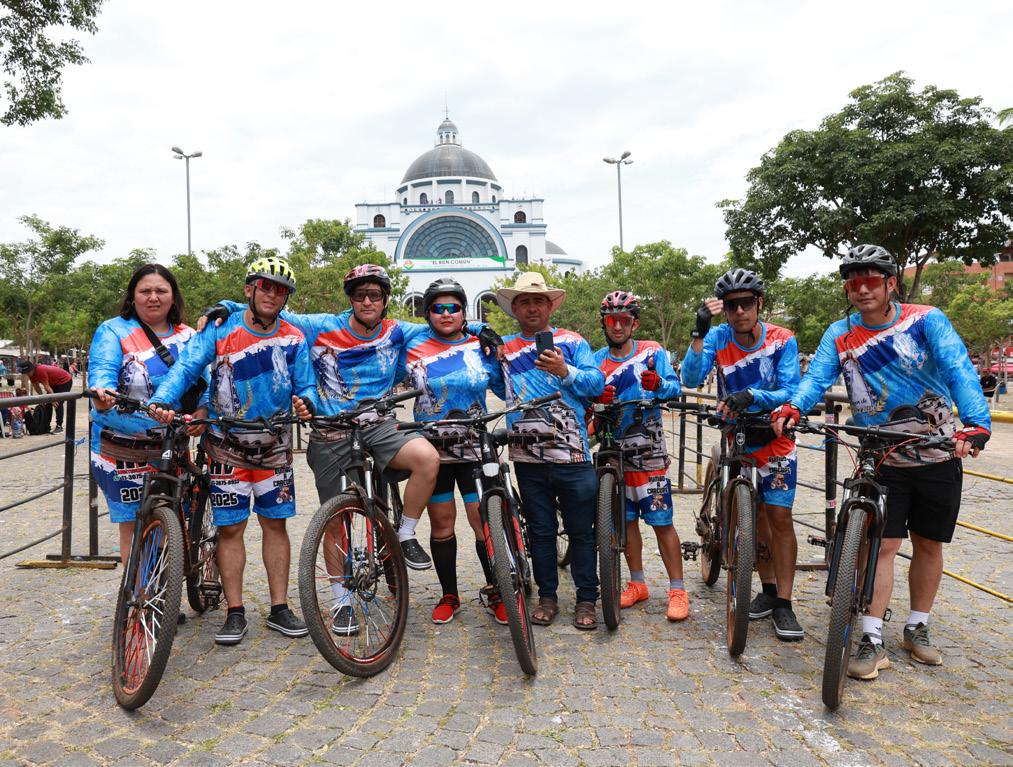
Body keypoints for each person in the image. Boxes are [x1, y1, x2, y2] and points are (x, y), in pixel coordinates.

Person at [201, 264, 501, 587]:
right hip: (333, 430)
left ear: (385, 300)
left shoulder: (397, 331)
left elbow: (444, 323)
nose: (367, 301)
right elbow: (269, 309)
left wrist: (480, 328)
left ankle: (405, 533)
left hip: (380, 425)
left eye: (374, 295)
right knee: (335, 519)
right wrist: (228, 306)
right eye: (360, 295)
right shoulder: (321, 327)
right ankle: (340, 597)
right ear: (350, 300)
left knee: (427, 459)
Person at [772, 244, 991, 679]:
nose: (862, 289)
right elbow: (817, 378)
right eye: (853, 282)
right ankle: (872, 637)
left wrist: (976, 422)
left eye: (871, 280)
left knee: (928, 543)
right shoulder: (840, 333)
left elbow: (958, 369)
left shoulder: (926, 319)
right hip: (880, 454)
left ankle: (917, 626)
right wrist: (794, 407)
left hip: (936, 450)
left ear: (891, 283)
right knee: (882, 545)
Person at [150, 257, 317, 646]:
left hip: (274, 446)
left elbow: (306, 384)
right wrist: (162, 398)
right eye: (265, 286)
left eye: (280, 290)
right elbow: (187, 368)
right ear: (249, 290)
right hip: (226, 447)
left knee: (275, 525)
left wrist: (307, 402)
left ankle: (279, 608)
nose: (272, 295)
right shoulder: (220, 328)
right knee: (230, 528)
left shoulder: (294, 337)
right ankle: (235, 611)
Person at [681, 268, 804, 640]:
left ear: (759, 303)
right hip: (736, 438)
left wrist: (753, 396)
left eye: (746, 303)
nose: (738, 312)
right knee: (752, 518)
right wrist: (698, 332)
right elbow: (690, 378)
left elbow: (790, 389)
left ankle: (784, 603)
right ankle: (767, 589)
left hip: (776, 437)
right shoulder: (719, 337)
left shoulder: (783, 339)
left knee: (779, 516)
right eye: (731, 305)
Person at [495, 272, 605, 629]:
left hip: (573, 453)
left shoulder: (572, 341)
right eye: (524, 302)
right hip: (527, 457)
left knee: (581, 531)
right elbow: (498, 386)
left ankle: (587, 598)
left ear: (549, 306)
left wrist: (564, 370)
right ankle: (547, 597)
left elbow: (596, 384)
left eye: (538, 301)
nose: (532, 308)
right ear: (514, 308)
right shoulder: (504, 348)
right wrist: (488, 350)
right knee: (540, 531)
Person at [397, 278, 507, 625]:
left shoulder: (480, 346)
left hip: (474, 448)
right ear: (428, 314)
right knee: (442, 523)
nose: (446, 314)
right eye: (438, 308)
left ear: (463, 312)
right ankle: (449, 595)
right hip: (432, 452)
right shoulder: (413, 345)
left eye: (454, 308)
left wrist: (484, 332)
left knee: (482, 520)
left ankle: (497, 589)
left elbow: (505, 387)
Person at [88, 263, 208, 568]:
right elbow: (102, 371)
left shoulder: (189, 336)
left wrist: (203, 410)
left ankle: (162, 587)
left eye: (160, 290)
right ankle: (139, 592)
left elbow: (205, 382)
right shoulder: (113, 330)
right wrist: (102, 392)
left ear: (173, 296)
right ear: (133, 296)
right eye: (145, 291)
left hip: (169, 445)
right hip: (119, 446)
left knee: (167, 520)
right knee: (132, 524)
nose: (153, 297)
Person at [593, 291, 689, 621]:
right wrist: (597, 397)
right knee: (627, 521)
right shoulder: (596, 359)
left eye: (624, 320)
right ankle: (637, 583)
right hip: (613, 452)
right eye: (611, 320)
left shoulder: (652, 351)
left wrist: (658, 383)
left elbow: (675, 388)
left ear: (634, 323)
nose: (618, 326)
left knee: (662, 521)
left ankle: (678, 590)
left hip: (650, 453)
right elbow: (586, 396)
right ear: (604, 323)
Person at [18, 359, 73, 433]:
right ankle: (46, 426)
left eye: (28, 372)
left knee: (57, 403)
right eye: (26, 373)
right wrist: (42, 399)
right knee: (47, 403)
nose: (27, 374)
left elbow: (46, 386)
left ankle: (59, 426)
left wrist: (53, 399)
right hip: (53, 383)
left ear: (32, 369)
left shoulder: (40, 370)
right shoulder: (31, 374)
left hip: (64, 380)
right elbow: (36, 386)